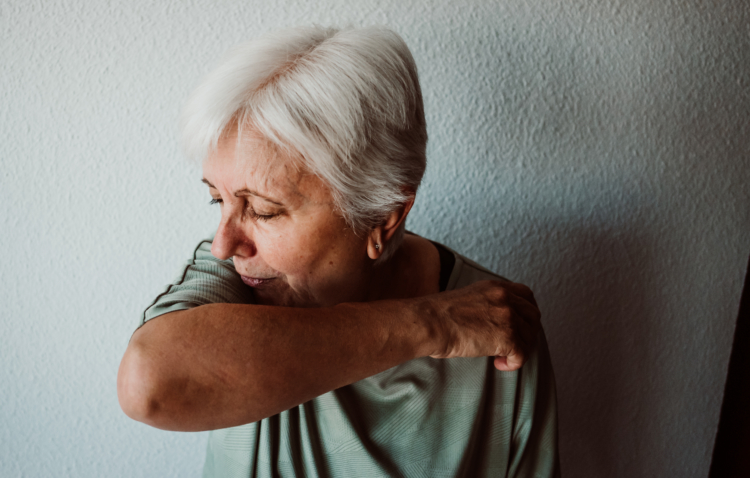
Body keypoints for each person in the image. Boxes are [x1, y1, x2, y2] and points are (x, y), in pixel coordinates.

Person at [117, 25, 559, 477]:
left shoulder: (498, 326)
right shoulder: (230, 278)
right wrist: (434, 323)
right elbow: (148, 381)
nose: (224, 244)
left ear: (382, 218)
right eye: (218, 199)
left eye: (264, 211)